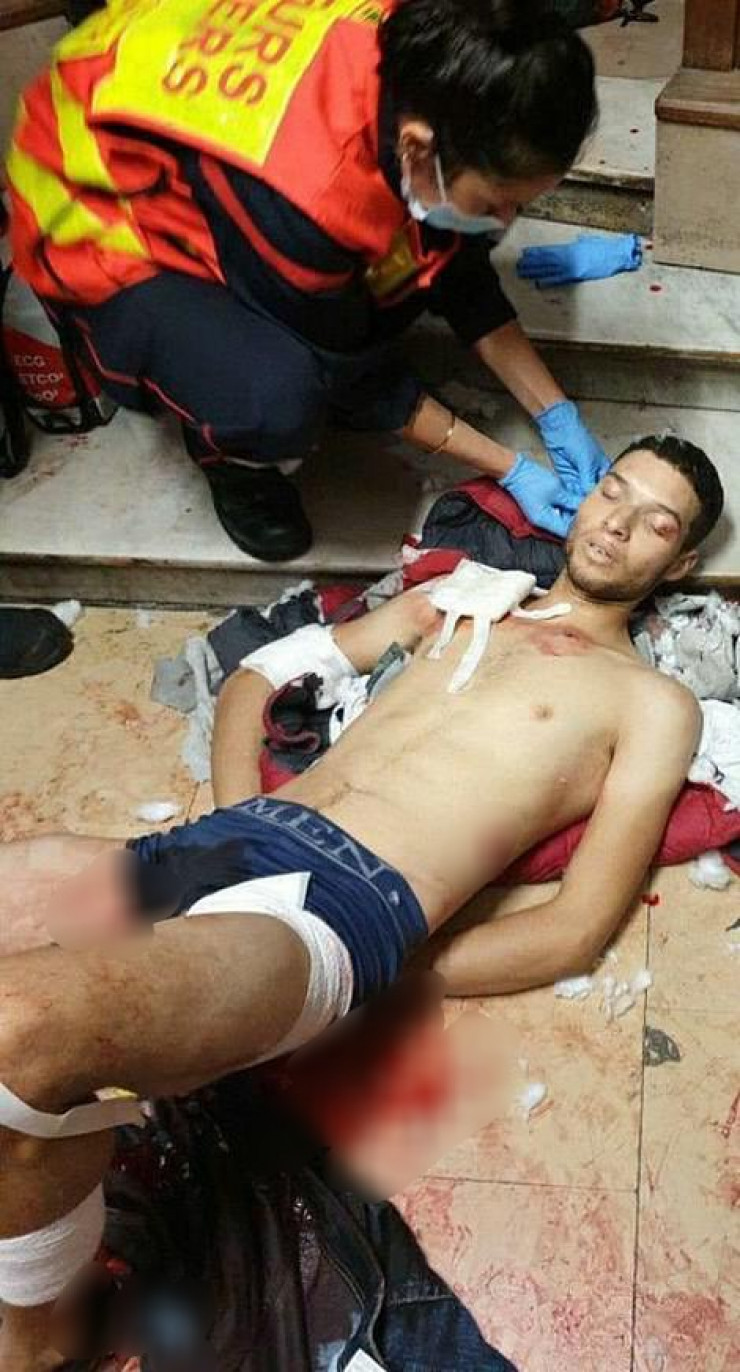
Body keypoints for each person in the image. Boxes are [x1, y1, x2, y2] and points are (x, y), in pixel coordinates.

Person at [0, 435, 724, 1370]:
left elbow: (574, 929)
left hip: (342, 907)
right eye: (613, 492)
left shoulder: (652, 702)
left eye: (655, 523)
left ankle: (35, 1343)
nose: (618, 524)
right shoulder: (464, 596)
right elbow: (261, 676)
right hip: (230, 841)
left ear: (681, 562)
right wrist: (236, 822)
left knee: (23, 1029)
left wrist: (383, 967)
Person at [7, 0, 604, 562]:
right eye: (497, 203)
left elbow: (454, 260)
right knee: (277, 395)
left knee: (409, 262)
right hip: (92, 202)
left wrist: (555, 411)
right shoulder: (306, 196)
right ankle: (229, 458)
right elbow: (356, 375)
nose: (506, 222)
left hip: (193, 115)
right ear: (418, 149)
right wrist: (509, 468)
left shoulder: (439, 54)